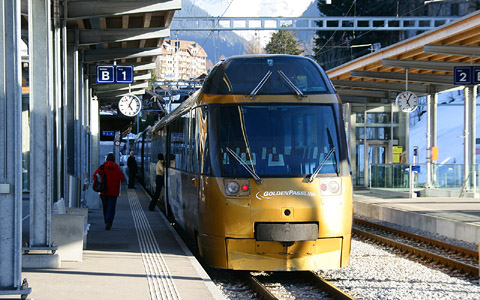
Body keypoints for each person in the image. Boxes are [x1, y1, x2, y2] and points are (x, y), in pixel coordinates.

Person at [93, 153, 126, 230]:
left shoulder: (102, 167)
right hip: (114, 192)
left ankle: (106, 221)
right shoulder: (117, 168)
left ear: (107, 159)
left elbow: (95, 176)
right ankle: (109, 222)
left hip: (103, 190)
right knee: (111, 208)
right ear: (114, 159)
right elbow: (123, 179)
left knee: (105, 207)